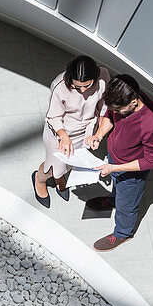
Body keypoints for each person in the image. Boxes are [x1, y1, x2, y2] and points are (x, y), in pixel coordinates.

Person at [85, 74, 153, 251]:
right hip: (115, 160)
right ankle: (114, 199)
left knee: (127, 205)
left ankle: (123, 233)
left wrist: (115, 167)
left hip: (131, 171)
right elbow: (109, 114)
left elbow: (152, 161)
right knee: (117, 187)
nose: (115, 113)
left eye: (119, 110)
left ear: (134, 102)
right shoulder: (123, 95)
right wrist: (98, 136)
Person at [33, 55, 110, 208]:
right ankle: (39, 179)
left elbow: (103, 107)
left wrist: (98, 134)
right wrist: (64, 137)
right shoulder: (59, 86)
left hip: (86, 131)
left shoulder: (103, 76)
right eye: (77, 87)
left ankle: (60, 177)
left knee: (73, 163)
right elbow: (53, 116)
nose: (82, 91)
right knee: (54, 167)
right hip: (61, 132)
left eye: (87, 86)